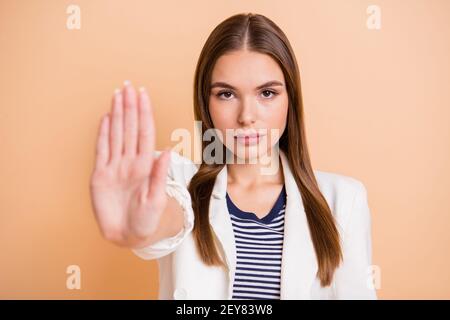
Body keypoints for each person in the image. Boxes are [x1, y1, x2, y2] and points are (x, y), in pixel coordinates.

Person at [89, 13, 377, 300]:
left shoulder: (344, 200)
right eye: (227, 94)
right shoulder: (182, 186)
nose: (246, 117)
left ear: (291, 99)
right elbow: (168, 215)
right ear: (206, 102)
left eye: (267, 93)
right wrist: (141, 227)